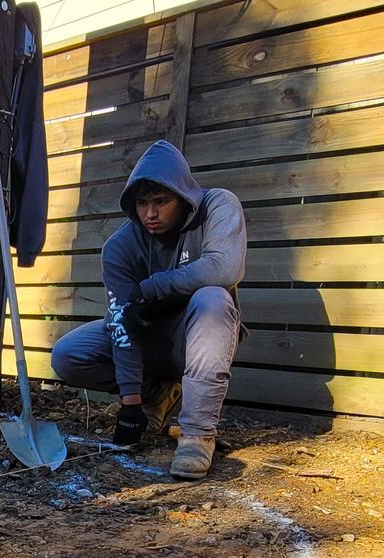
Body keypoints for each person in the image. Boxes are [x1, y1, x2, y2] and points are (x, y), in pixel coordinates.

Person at [50, 140, 247, 479]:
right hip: (149, 341)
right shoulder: (120, 247)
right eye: (142, 203)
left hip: (197, 339)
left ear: (183, 197)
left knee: (213, 299)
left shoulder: (217, 206)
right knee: (68, 354)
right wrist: (131, 403)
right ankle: (157, 394)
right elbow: (122, 323)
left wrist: (151, 287)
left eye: (161, 201)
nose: (150, 214)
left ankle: (197, 434)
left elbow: (225, 268)